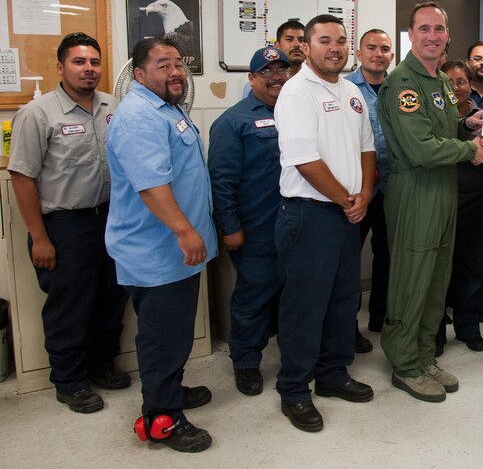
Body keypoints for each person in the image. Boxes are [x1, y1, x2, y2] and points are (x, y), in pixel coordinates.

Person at [8, 32, 130, 414]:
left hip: (112, 220)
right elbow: (22, 177)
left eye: (94, 62)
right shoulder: (37, 113)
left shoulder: (114, 105)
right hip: (65, 226)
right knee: (70, 306)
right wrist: (39, 237)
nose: (89, 69)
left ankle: (101, 365)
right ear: (60, 67)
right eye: (79, 62)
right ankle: (70, 381)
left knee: (112, 298)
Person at [106, 37, 216, 452]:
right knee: (161, 337)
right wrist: (186, 231)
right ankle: (162, 418)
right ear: (138, 74)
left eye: (177, 65)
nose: (175, 72)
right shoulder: (138, 116)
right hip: (158, 251)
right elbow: (151, 186)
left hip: (174, 253)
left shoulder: (167, 110)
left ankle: (169, 390)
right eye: (162, 65)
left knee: (172, 333)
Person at [378, 1, 483, 403]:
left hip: (444, 189)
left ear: (446, 36)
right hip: (416, 190)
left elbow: (440, 129)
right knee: (412, 278)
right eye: (424, 29)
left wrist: (465, 125)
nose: (432, 36)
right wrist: (469, 150)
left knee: (436, 277)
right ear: (411, 35)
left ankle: (425, 356)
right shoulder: (403, 84)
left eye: (438, 29)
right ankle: (405, 363)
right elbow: (421, 148)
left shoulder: (440, 80)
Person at [273, 14, 377, 433]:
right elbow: (304, 159)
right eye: (324, 41)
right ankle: (295, 389)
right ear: (307, 47)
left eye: (340, 40)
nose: (334, 47)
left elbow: (367, 149)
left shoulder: (351, 90)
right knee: (305, 306)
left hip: (347, 214)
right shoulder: (296, 92)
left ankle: (333, 374)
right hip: (310, 216)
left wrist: (364, 194)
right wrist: (346, 199)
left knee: (342, 300)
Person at [209, 47, 291, 396]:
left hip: (295, 227)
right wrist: (230, 227)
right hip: (256, 229)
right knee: (252, 298)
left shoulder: (297, 112)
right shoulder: (233, 122)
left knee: (292, 298)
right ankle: (245, 362)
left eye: (281, 69)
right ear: (252, 78)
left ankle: (294, 356)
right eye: (266, 70)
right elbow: (221, 181)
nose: (276, 76)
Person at [436, 60, 483, 355]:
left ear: (471, 85)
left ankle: (468, 326)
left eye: (461, 81)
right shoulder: (435, 116)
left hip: (478, 203)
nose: (456, 87)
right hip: (443, 201)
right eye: (450, 81)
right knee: (439, 270)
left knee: (472, 268)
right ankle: (434, 331)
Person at [345, 29, 394, 349]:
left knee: (388, 256)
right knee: (347, 260)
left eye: (385, 49)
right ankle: (347, 326)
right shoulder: (343, 87)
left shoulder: (400, 87)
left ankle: (381, 317)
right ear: (359, 53)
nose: (379, 53)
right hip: (355, 188)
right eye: (372, 48)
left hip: (393, 184)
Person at [242, 20, 306, 98]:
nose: (297, 44)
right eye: (289, 39)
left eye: (301, 40)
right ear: (277, 45)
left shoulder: (316, 80)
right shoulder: (256, 86)